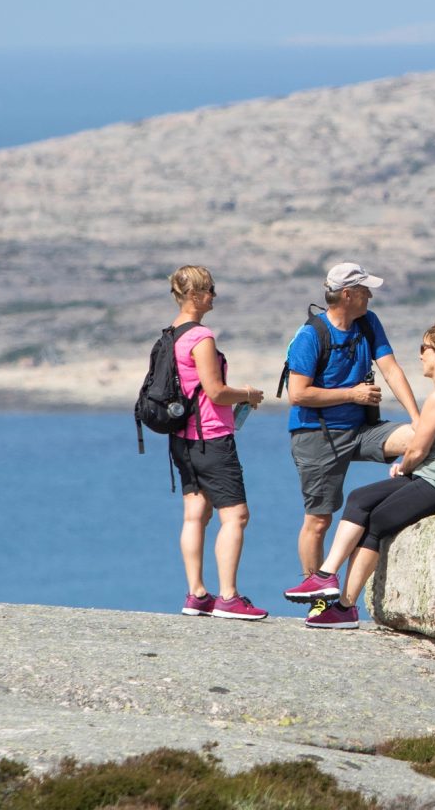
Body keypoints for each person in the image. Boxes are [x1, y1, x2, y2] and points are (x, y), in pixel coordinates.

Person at [295, 321, 435, 629]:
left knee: (379, 520)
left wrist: (404, 465)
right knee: (359, 498)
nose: (420, 356)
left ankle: (344, 607)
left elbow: (418, 449)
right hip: (433, 478)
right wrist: (410, 466)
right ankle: (326, 576)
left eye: (424, 349)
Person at [282, 262, 421, 585]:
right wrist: (352, 395)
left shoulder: (368, 323)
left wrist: (417, 418)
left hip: (362, 430)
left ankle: (399, 507)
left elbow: (391, 369)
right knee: (318, 520)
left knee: (420, 438)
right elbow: (298, 394)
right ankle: (314, 592)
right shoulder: (311, 335)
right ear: (347, 295)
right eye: (364, 290)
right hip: (317, 435)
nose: (370, 295)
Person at [166, 265, 268, 621]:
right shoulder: (201, 337)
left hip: (182, 440)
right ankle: (228, 596)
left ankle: (196, 594)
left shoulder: (171, 335)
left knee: (195, 514)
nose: (214, 295)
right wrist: (249, 394)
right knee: (236, 516)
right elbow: (216, 391)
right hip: (211, 437)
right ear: (194, 296)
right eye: (209, 289)